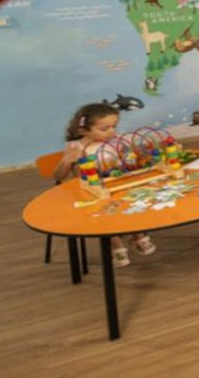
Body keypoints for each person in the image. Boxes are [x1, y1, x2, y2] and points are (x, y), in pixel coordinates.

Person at [54, 103, 156, 267]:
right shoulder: (75, 146)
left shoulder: (115, 142)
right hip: (91, 191)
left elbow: (128, 162)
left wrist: (133, 157)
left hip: (115, 185)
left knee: (130, 204)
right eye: (104, 128)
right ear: (83, 130)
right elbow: (58, 176)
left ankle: (138, 236)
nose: (111, 132)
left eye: (114, 126)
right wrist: (68, 160)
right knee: (104, 213)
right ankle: (117, 247)